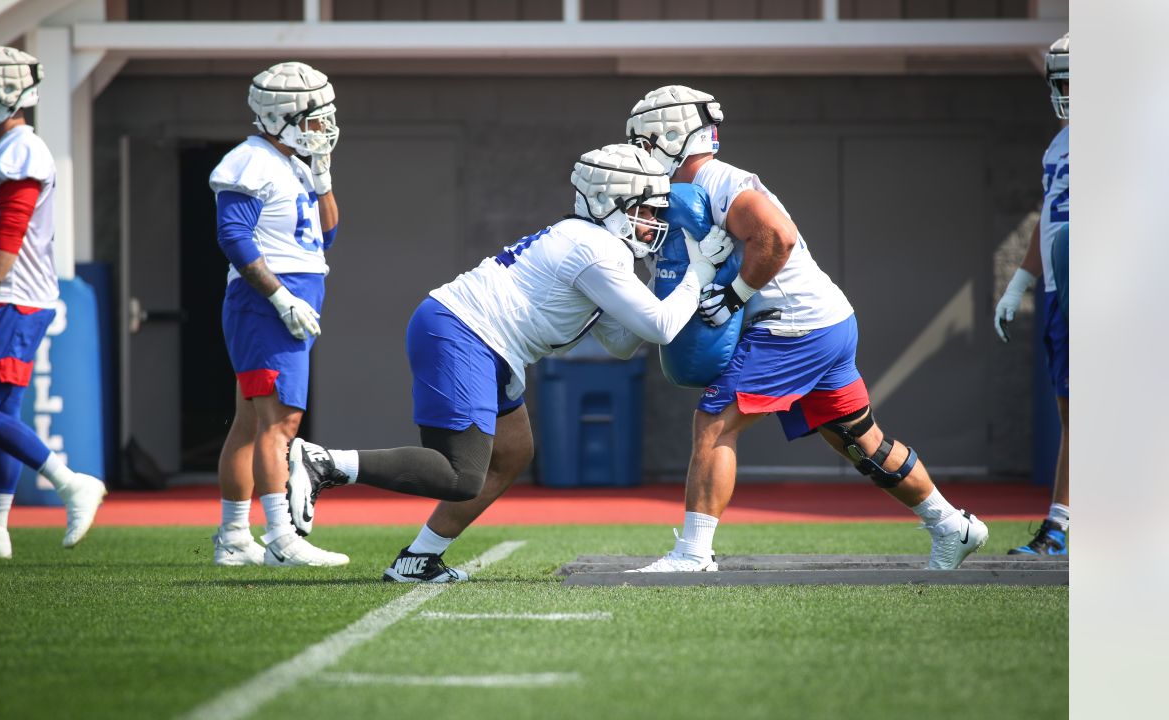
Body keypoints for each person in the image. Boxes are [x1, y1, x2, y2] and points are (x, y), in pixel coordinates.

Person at [286, 144, 733, 582]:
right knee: (460, 474)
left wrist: (662, 281)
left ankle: (418, 559)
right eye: (648, 210)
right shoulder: (596, 248)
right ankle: (324, 463)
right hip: (464, 332)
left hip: (487, 344)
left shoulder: (595, 245)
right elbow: (660, 328)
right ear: (609, 203)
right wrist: (697, 273)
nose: (653, 223)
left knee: (512, 453)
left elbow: (619, 342)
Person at [624, 85, 988, 572]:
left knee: (714, 422)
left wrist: (736, 295)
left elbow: (778, 236)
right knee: (861, 440)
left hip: (793, 325)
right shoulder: (697, 188)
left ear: (671, 135)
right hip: (826, 321)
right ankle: (952, 525)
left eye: (645, 140)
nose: (641, 152)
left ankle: (693, 553)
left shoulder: (719, 180)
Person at [208, 62, 347, 567]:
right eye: (315, 119)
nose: (324, 129)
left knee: (250, 422)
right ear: (280, 116)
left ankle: (233, 537)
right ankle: (282, 539)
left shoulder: (292, 161)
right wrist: (279, 297)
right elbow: (233, 237)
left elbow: (326, 235)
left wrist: (323, 175)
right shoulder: (250, 161)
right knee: (281, 422)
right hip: (266, 304)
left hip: (287, 299)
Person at [0, 47, 107, 558]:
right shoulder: (4, 147)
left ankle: (69, 482)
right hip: (12, 293)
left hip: (11, 295)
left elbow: (13, 224)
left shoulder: (21, 149)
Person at [993, 34, 1070, 556]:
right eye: (1061, 79)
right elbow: (1051, 219)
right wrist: (1021, 281)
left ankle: (1062, 527)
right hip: (1062, 291)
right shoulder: (1058, 145)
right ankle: (1063, 525)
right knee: (1073, 414)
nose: (1066, 89)